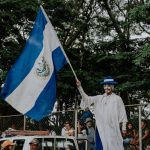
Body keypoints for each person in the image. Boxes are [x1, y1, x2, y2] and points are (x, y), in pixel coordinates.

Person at [76, 76, 128, 150]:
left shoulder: (117, 99)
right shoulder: (99, 98)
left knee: (114, 146)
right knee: (102, 147)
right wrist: (80, 87)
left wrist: (124, 127)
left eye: (109, 85)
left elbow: (123, 113)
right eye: (105, 85)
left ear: (112, 87)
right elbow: (87, 99)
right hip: (101, 128)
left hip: (113, 128)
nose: (107, 87)